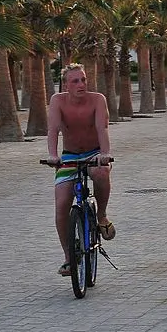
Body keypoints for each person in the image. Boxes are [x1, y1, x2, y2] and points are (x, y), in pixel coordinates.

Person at [47, 63, 114, 276]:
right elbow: (53, 129)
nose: (81, 84)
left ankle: (101, 215)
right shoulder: (58, 101)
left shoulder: (97, 100)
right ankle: (69, 258)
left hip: (94, 152)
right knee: (61, 206)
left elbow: (101, 128)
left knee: (100, 173)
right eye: (75, 81)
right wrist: (53, 156)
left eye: (83, 79)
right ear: (65, 85)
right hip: (69, 156)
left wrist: (104, 154)